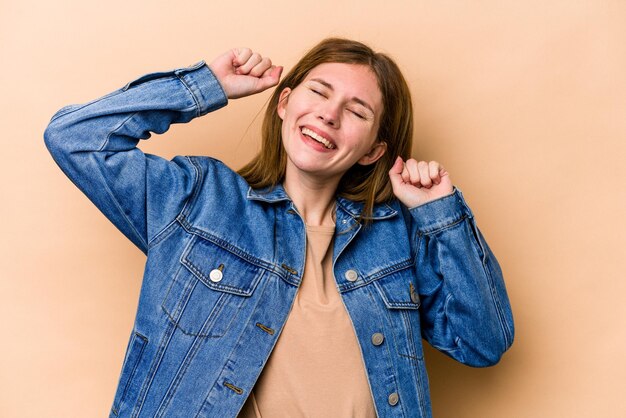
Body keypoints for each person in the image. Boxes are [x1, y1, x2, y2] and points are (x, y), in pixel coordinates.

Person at [44, 38, 514, 418]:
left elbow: (481, 343)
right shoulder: (199, 201)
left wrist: (440, 216)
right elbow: (75, 139)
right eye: (319, 92)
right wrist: (206, 85)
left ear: (373, 151)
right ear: (284, 104)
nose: (330, 114)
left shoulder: (396, 236)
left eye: (357, 112)